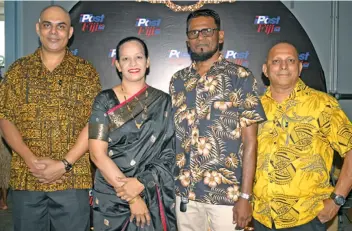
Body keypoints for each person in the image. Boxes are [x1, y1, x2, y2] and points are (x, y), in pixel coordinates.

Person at [0, 5, 101, 231]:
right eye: (47, 25)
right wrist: (29, 159)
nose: (53, 32)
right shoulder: (18, 71)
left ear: (70, 32)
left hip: (73, 181)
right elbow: (5, 118)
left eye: (60, 26)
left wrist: (64, 164)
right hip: (27, 179)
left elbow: (95, 122)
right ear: (38, 28)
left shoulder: (86, 73)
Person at [169, 9, 266, 231]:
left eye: (207, 31)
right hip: (186, 193)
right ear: (187, 40)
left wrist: (245, 196)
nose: (200, 37)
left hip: (227, 196)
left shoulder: (241, 77)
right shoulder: (178, 81)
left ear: (220, 36)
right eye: (194, 33)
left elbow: (251, 142)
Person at [252, 41, 352, 231]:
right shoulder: (255, 108)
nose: (283, 66)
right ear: (265, 69)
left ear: (299, 68)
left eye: (290, 60)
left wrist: (337, 200)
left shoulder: (323, 105)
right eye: (276, 61)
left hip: (307, 218)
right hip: (261, 218)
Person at [88, 36, 177, 231]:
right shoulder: (103, 101)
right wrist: (132, 197)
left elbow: (170, 153)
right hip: (112, 195)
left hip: (150, 189)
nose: (133, 63)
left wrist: (141, 183)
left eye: (138, 57)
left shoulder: (163, 102)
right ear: (118, 65)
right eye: (126, 59)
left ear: (148, 62)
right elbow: (97, 154)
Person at [0, 130, 11, 210]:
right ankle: (4, 201)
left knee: (4, 175)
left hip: (4, 151)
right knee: (4, 175)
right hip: (6, 151)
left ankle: (3, 201)